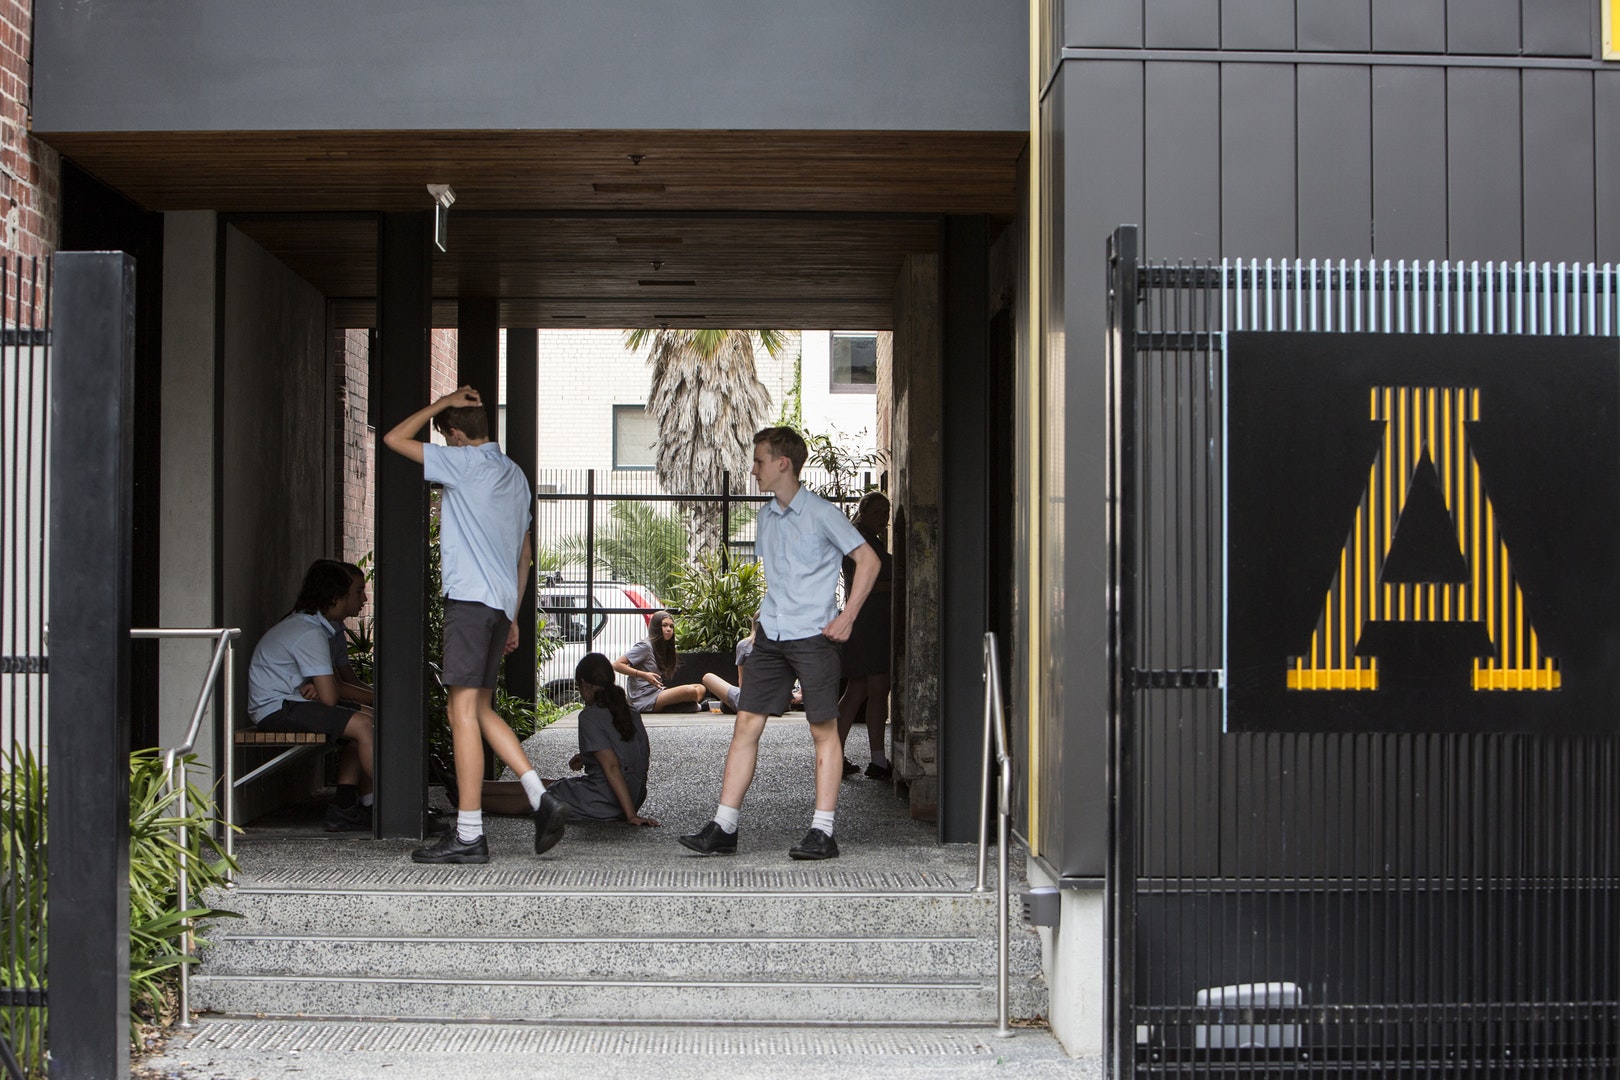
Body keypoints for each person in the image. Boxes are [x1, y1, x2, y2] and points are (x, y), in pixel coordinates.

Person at [384, 385, 568, 864]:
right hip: (497, 606)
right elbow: (525, 556)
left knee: (459, 713)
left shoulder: (464, 463)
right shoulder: (515, 475)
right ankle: (539, 795)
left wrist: (442, 403)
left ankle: (469, 835)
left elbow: (393, 438)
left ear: (456, 436)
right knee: (479, 709)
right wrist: (512, 615)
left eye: (446, 438)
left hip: (468, 603)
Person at [678, 426, 879, 861]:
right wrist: (757, 630)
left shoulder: (823, 514)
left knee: (822, 730)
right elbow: (778, 583)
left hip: (815, 636)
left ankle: (823, 833)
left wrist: (848, 617)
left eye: (759, 461)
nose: (753, 470)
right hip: (771, 636)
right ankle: (724, 826)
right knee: (745, 725)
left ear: (782, 463)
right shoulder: (766, 518)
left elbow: (869, 560)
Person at [247, 560, 377, 832]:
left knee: (365, 720)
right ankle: (395, 805)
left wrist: (322, 686)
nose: (362, 598)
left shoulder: (318, 628)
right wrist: (323, 686)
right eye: (355, 593)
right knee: (364, 725)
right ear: (334, 598)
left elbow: (332, 687)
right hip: (276, 707)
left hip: (291, 701)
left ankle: (353, 806)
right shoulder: (309, 632)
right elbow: (330, 697)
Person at [543, 653, 659, 825]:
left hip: (603, 801)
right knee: (543, 784)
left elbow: (612, 766)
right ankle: (486, 786)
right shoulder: (630, 711)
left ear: (584, 684)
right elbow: (629, 753)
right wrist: (587, 757)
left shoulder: (589, 717)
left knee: (533, 795)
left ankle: (486, 794)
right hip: (634, 795)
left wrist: (630, 816)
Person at [836, 491, 894, 780]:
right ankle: (878, 761)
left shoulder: (863, 537)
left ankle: (835, 757)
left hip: (865, 621)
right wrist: (899, 583)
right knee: (877, 689)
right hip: (870, 623)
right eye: (877, 512)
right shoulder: (861, 539)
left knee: (857, 690)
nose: (883, 518)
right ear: (863, 511)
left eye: (886, 513)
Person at [613, 611, 707, 713]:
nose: (668, 629)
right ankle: (695, 706)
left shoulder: (663, 648)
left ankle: (680, 706)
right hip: (642, 698)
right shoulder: (645, 646)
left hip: (657, 692)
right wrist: (644, 675)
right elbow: (617, 665)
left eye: (671, 627)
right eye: (664, 626)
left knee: (700, 688)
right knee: (690, 691)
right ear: (656, 627)